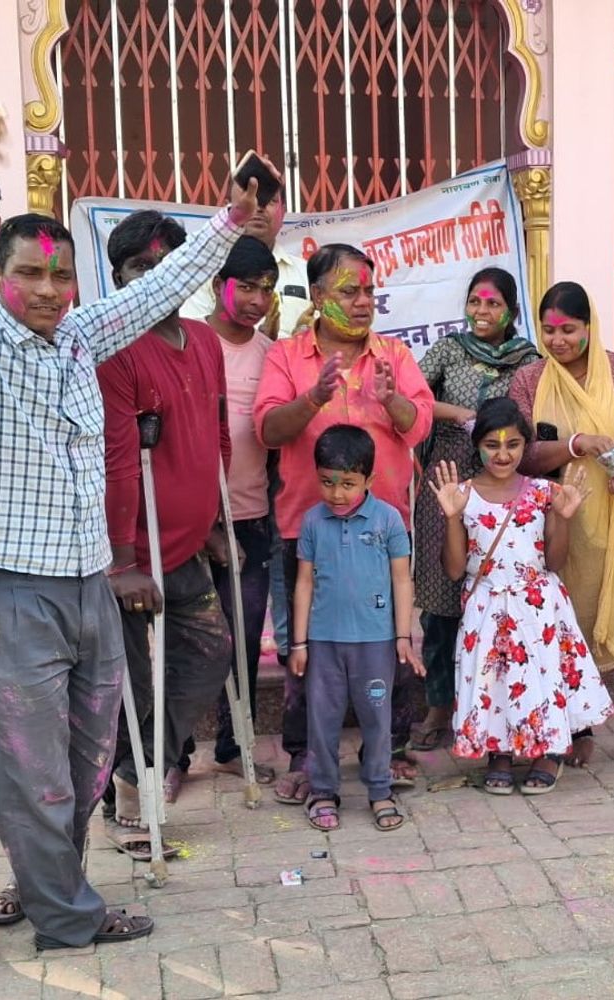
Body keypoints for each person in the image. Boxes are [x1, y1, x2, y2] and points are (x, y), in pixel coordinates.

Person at [0, 107, 261, 949]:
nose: (48, 291)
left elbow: (162, 285)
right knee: (31, 767)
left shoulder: (85, 336)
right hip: (8, 593)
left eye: (60, 275)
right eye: (28, 274)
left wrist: (229, 218)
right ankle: (67, 918)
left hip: (90, 586)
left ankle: (40, 879)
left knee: (88, 759)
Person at [254, 242, 434, 805]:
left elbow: (420, 425)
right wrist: (313, 399)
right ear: (317, 296)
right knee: (302, 644)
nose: (362, 303)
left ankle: (392, 749)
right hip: (306, 535)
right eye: (348, 292)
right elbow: (267, 431)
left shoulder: (395, 357)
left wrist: (391, 402)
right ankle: (306, 758)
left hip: (383, 535)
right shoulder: (286, 356)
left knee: (393, 639)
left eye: (368, 292)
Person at [98, 209, 235, 854]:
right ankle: (124, 788)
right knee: (131, 676)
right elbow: (121, 462)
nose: (156, 281)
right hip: (128, 553)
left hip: (185, 546)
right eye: (139, 270)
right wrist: (123, 560)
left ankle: (138, 763)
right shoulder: (115, 351)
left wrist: (212, 519)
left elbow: (217, 433)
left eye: (166, 268)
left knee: (210, 653)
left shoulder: (205, 342)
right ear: (118, 278)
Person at [509, 281, 614, 767]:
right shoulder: (531, 380)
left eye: (569, 329)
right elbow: (525, 454)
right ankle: (579, 728)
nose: (558, 340)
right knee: (569, 616)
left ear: (589, 326)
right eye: (549, 329)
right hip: (559, 518)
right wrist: (576, 444)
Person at [429, 397, 614, 793]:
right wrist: (450, 518)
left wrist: (564, 518)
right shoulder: (462, 495)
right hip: (487, 605)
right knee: (494, 679)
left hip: (538, 605)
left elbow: (555, 560)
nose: (502, 454)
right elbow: (455, 569)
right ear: (477, 445)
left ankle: (548, 752)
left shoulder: (543, 492)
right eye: (492, 445)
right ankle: (500, 751)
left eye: (512, 445)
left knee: (539, 677)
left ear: (524, 446)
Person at [412, 268, 539, 750]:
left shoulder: (528, 360)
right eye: (474, 302)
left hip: (503, 479)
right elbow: (416, 398)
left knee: (495, 593)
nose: (481, 312)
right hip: (447, 478)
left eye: (491, 304)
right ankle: (439, 703)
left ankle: (493, 701)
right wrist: (463, 414)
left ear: (510, 310)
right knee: (443, 594)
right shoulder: (449, 349)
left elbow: (532, 416)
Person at [290, 424, 424, 830]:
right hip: (324, 642)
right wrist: (299, 643)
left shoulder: (388, 520)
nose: (337, 493)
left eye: (348, 483)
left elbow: (403, 579)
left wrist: (403, 637)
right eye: (327, 482)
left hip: (376, 642)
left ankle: (380, 789)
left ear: (368, 479)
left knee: (376, 718)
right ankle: (324, 791)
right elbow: (304, 582)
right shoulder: (313, 522)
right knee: (323, 719)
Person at [199, 235, 279, 787]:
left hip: (251, 519)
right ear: (217, 285)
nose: (256, 299)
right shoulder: (194, 342)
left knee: (245, 638)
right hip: (190, 520)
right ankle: (173, 756)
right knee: (185, 643)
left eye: (266, 290)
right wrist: (203, 525)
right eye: (246, 286)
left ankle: (233, 745)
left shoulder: (271, 353)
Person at [181, 172, 309, 340]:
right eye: (251, 197)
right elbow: (194, 339)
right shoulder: (204, 271)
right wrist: (259, 342)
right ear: (229, 208)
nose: (260, 207)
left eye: (270, 200)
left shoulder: (306, 273)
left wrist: (296, 347)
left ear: (283, 211)